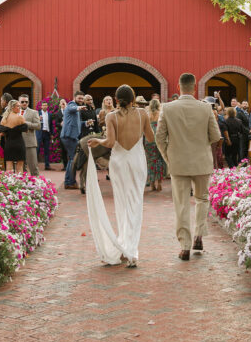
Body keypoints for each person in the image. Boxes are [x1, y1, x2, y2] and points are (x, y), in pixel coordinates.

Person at [155, 73, 222, 261]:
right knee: (202, 199)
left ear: (178, 87)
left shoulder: (167, 108)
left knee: (181, 204)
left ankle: (184, 245)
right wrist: (202, 145)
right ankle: (199, 235)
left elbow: (159, 137)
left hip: (178, 162)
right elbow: (215, 136)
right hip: (201, 161)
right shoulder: (205, 108)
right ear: (194, 88)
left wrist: (169, 156)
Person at [86, 85, 154, 268]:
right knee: (135, 203)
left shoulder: (111, 116)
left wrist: (97, 141)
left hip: (119, 162)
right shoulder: (142, 114)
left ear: (116, 100)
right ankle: (130, 248)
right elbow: (151, 138)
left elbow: (109, 142)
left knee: (122, 204)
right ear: (133, 99)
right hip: (137, 160)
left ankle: (125, 248)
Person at [0, 99, 28, 173]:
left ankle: (10, 183)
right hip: (19, 143)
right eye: (18, 106)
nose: (19, 107)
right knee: (20, 167)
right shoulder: (20, 117)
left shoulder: (4, 118)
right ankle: (19, 183)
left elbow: (1, 133)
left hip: (9, 144)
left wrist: (8, 131)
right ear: (12, 107)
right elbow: (26, 130)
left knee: (9, 168)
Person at [144, 98, 166, 191]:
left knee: (150, 161)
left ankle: (152, 183)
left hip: (149, 138)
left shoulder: (147, 114)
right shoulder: (161, 114)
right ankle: (160, 183)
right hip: (159, 137)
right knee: (159, 160)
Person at [61, 97, 82, 189]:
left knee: (71, 159)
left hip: (71, 136)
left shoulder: (75, 108)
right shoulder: (71, 104)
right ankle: (70, 182)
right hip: (69, 136)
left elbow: (77, 122)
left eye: (82, 98)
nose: (81, 100)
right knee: (72, 160)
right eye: (79, 98)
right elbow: (71, 108)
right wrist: (78, 108)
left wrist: (86, 123)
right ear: (75, 98)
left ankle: (68, 181)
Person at [19, 95, 41, 176]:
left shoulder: (33, 112)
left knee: (33, 166)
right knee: (20, 167)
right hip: (18, 142)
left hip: (30, 143)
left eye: (26, 102)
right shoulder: (15, 112)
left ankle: (37, 185)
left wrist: (27, 124)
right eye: (22, 102)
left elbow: (38, 126)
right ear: (19, 103)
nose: (24, 103)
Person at [37, 100, 56, 170]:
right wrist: (38, 119)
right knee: (37, 149)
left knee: (47, 150)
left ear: (47, 106)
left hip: (47, 133)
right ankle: (35, 166)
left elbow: (51, 125)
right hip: (39, 133)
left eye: (45, 105)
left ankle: (47, 166)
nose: (44, 106)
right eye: (43, 105)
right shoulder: (38, 113)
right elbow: (35, 122)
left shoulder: (50, 114)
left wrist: (52, 134)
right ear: (41, 106)